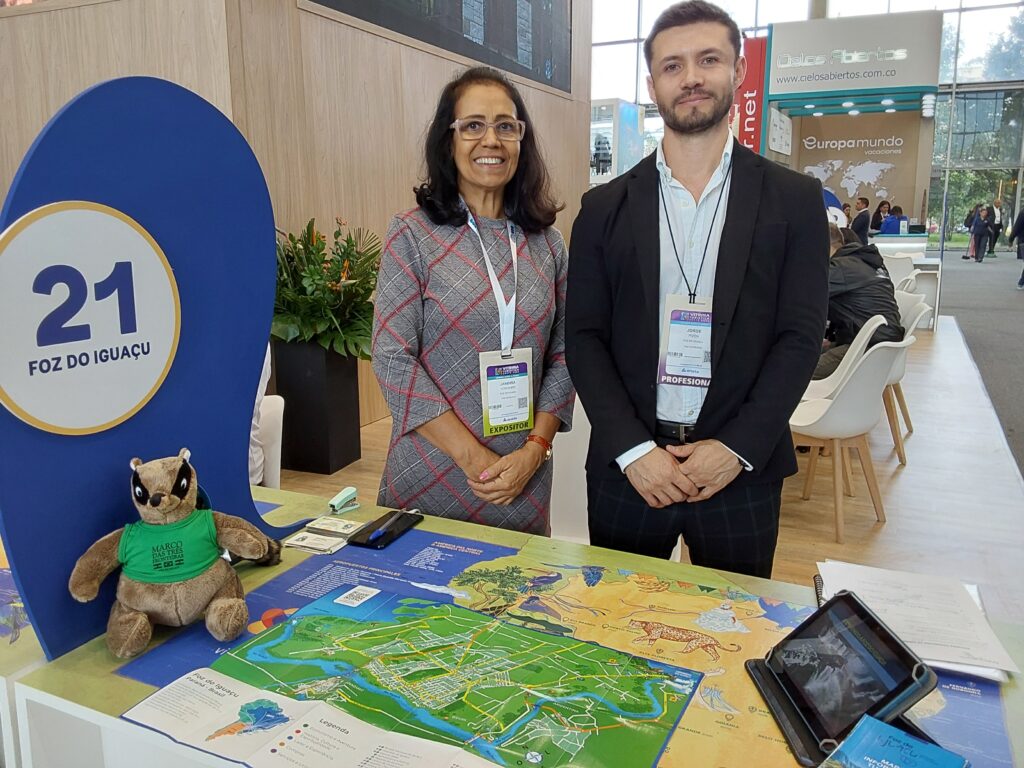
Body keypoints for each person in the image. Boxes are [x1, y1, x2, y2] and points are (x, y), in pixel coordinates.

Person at [565, 0, 828, 578]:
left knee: (732, 635)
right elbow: (583, 337)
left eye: (708, 59)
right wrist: (635, 452)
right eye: (672, 65)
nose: (691, 78)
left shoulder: (795, 201)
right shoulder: (603, 207)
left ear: (737, 72)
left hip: (740, 468)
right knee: (617, 631)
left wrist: (734, 449)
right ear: (653, 84)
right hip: (631, 469)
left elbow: (800, 337)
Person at [372, 67, 574, 534]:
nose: (491, 140)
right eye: (473, 126)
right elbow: (392, 358)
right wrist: (473, 457)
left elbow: (564, 357)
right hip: (430, 473)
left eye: (506, 126)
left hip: (522, 479)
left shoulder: (548, 245)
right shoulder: (413, 235)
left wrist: (534, 450)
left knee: (515, 600)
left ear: (522, 141)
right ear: (448, 141)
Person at [814, 224, 904, 380]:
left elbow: (804, 293)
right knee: (802, 355)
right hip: (880, 344)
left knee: (795, 370)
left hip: (870, 348)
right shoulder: (862, 260)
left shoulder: (841, 268)